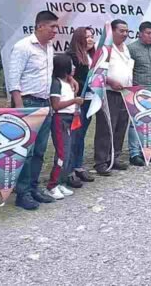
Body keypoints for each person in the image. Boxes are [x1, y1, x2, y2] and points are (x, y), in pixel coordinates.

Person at [7, 10, 59, 211]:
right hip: (27, 104)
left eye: (57, 27)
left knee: (39, 150)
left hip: (44, 104)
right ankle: (22, 193)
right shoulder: (23, 47)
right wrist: (19, 109)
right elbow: (14, 80)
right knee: (25, 151)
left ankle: (34, 187)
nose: (56, 31)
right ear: (40, 26)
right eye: (52, 27)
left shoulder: (49, 47)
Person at [94, 19, 133, 175]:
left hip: (125, 92)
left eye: (126, 31)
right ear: (112, 31)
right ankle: (101, 161)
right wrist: (110, 81)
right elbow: (96, 70)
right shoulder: (104, 46)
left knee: (120, 126)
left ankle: (114, 157)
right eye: (121, 31)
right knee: (106, 127)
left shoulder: (125, 48)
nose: (125, 34)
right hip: (108, 92)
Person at [45, 55, 84, 200]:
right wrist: (74, 100)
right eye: (71, 65)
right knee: (62, 154)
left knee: (68, 153)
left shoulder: (68, 82)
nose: (74, 68)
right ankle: (51, 185)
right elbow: (55, 105)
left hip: (71, 119)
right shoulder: (56, 83)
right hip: (60, 120)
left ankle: (61, 181)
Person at [127, 21, 151, 166]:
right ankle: (134, 153)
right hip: (137, 90)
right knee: (135, 123)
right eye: (148, 33)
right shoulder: (131, 49)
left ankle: (146, 151)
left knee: (149, 122)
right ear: (140, 33)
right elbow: (128, 70)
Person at [67, 27, 96, 188]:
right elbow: (72, 79)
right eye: (87, 37)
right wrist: (87, 86)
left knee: (82, 135)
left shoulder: (93, 56)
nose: (90, 39)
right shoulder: (71, 56)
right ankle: (69, 170)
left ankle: (78, 166)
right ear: (79, 39)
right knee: (74, 135)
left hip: (91, 99)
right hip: (77, 101)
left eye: (92, 36)